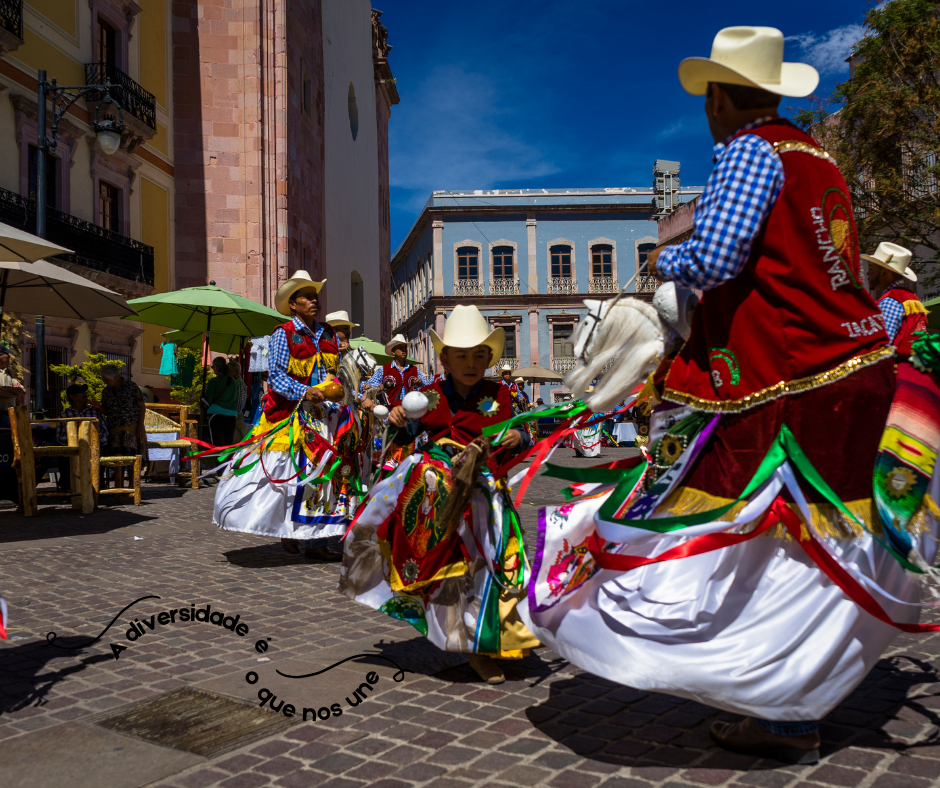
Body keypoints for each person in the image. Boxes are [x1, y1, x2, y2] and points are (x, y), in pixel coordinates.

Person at [520, 26, 938, 765]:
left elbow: (714, 257)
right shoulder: (820, 160)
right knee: (808, 545)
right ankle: (796, 693)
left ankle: (773, 703)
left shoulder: (750, 152)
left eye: (707, 99)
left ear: (719, 97)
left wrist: (665, 258)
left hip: (782, 380)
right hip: (849, 371)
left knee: (740, 534)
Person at [341, 305, 538, 685]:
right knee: (451, 573)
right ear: (445, 358)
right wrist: (398, 420)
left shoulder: (501, 395)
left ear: (489, 358)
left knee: (494, 566)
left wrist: (519, 437)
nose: (470, 363)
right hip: (439, 500)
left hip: (485, 497)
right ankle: (471, 644)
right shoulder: (427, 397)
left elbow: (522, 436)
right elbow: (403, 439)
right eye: (461, 355)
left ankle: (492, 640)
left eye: (479, 355)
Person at [214, 271, 365, 561]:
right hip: (293, 417)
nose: (313, 301)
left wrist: (341, 393)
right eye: (306, 297)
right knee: (290, 476)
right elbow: (277, 378)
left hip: (327, 419)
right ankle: (301, 536)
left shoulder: (329, 334)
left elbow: (337, 374)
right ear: (293, 304)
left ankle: (313, 538)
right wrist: (305, 392)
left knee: (321, 476)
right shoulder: (282, 334)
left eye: (314, 296)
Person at [865, 242, 927, 357]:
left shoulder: (890, 301)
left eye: (871, 269)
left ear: (884, 272)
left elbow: (882, 346)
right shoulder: (911, 298)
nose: (868, 273)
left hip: (897, 368)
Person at [56, 383, 108, 492]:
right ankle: (68, 487)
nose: (85, 394)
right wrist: (76, 444)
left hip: (94, 446)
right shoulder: (65, 415)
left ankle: (97, 485)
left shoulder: (94, 411)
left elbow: (103, 431)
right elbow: (60, 437)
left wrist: (95, 443)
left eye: (84, 391)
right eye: (80, 392)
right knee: (64, 456)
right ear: (72, 396)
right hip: (73, 448)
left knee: (100, 452)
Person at [363, 334, 428, 407]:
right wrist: (378, 386)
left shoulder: (414, 370)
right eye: (400, 348)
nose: (404, 350)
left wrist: (420, 383)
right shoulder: (384, 369)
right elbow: (370, 384)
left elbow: (427, 387)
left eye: (405, 347)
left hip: (410, 409)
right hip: (390, 409)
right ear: (393, 352)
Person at [99, 364, 147, 462]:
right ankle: (118, 478)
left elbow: (142, 406)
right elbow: (107, 411)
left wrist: (140, 426)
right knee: (117, 461)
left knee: (133, 461)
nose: (105, 382)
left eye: (107, 380)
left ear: (115, 377)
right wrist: (98, 407)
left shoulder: (131, 387)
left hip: (131, 428)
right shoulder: (106, 392)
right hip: (114, 430)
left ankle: (133, 478)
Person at [204, 357, 239, 455]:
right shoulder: (233, 382)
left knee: (217, 445)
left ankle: (220, 468)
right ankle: (225, 468)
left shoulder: (214, 381)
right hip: (232, 415)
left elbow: (208, 400)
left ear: (215, 367)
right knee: (228, 444)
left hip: (216, 415)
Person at [0, 342, 25, 428]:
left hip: (11, 414)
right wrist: (14, 392)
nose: (9, 357)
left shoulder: (9, 372)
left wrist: (6, 391)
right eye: (7, 354)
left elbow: (22, 390)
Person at [228, 360, 249, 441]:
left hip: (235, 415)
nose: (227, 372)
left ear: (236, 371)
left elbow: (239, 402)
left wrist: (233, 413)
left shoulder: (237, 382)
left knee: (235, 441)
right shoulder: (236, 382)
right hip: (236, 414)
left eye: (229, 370)